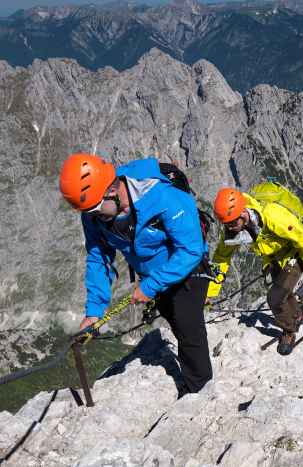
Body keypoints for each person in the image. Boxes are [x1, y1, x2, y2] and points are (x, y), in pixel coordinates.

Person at [59, 153, 212, 395]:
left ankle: (200, 389)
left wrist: (151, 286)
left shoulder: (162, 196)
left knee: (186, 322)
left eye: (97, 209)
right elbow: (99, 258)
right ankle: (192, 374)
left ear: (112, 190)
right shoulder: (93, 213)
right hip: (152, 274)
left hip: (189, 266)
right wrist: (94, 312)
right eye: (88, 211)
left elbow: (190, 249)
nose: (93, 216)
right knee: (173, 318)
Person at [210, 187, 303, 355]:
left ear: (243, 213)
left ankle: (289, 331)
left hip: (294, 255)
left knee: (274, 298)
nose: (230, 228)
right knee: (283, 290)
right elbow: (221, 258)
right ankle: (298, 315)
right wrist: (210, 292)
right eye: (226, 224)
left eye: (232, 223)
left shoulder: (273, 216)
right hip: (274, 259)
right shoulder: (234, 227)